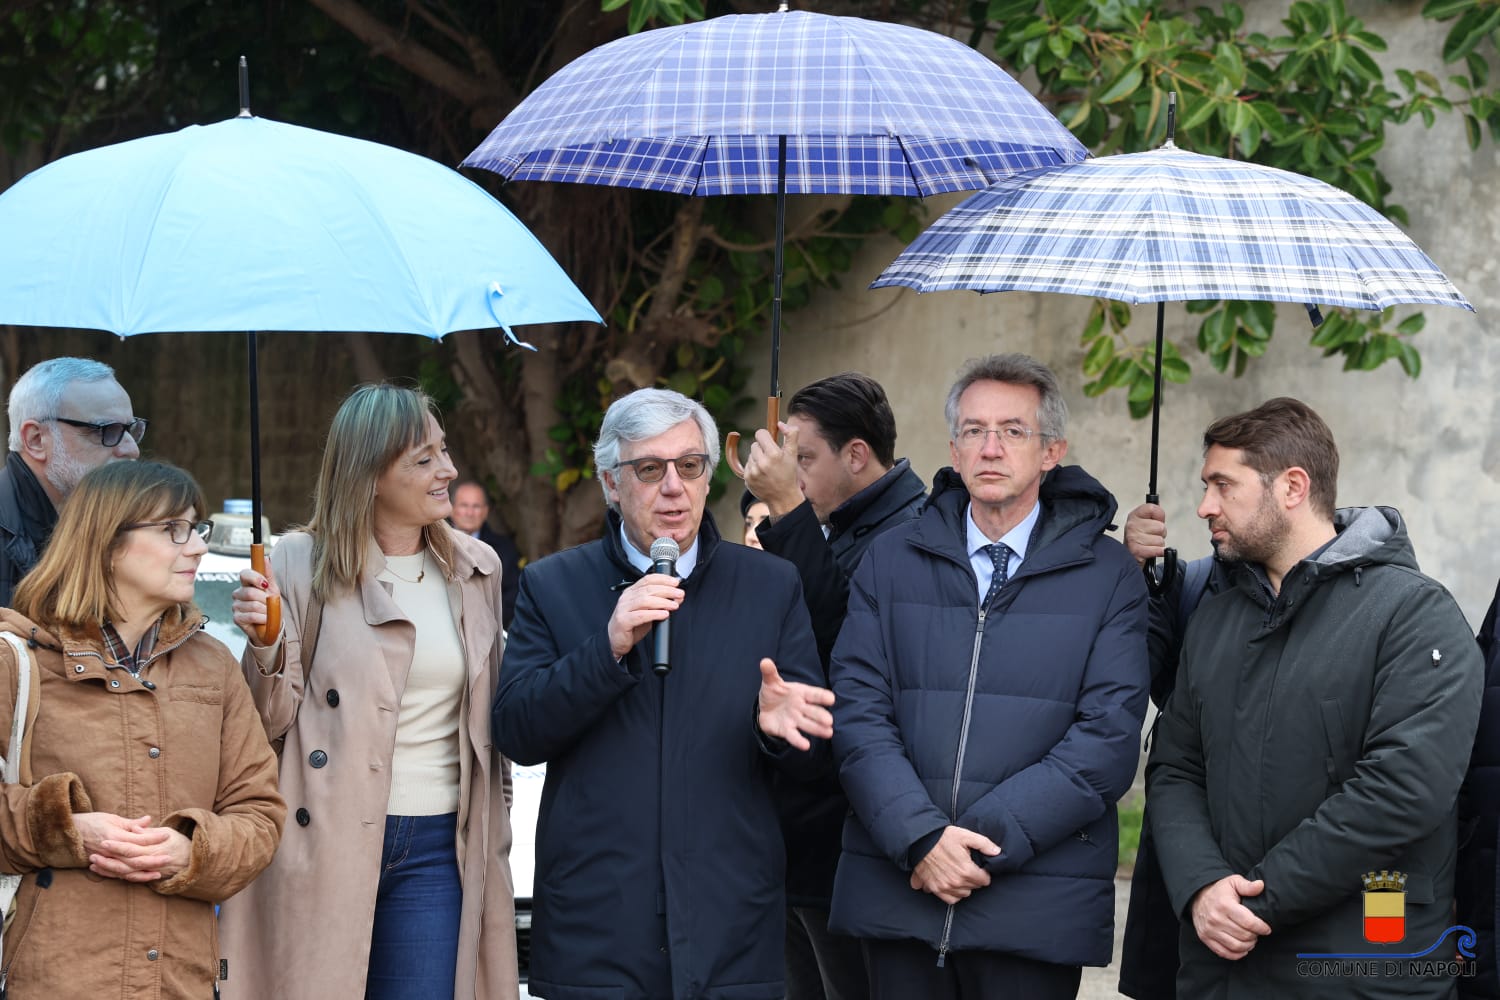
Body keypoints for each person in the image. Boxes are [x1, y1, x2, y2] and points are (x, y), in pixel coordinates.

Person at [493, 387, 834, 1000]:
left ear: (708, 478)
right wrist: (607, 648)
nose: (672, 487)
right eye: (649, 469)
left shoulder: (770, 584)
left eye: (689, 465)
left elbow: (815, 762)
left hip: (730, 921)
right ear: (610, 483)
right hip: (599, 927)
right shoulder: (552, 585)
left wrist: (781, 732)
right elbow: (517, 731)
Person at [829, 353, 1149, 1000]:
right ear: (953, 446)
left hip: (1031, 905)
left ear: (1051, 450)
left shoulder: (1109, 575)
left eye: (1012, 430)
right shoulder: (892, 559)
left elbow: (1106, 743)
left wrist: (974, 846)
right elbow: (858, 712)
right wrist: (920, 838)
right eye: (974, 430)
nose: (991, 447)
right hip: (900, 894)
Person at [1147, 397, 1483, 998]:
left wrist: (1254, 900)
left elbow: (1402, 791)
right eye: (1206, 486)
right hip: (1223, 967)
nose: (1205, 507)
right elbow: (1175, 767)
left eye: (1224, 485)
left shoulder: (1412, 614)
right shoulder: (1215, 620)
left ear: (1293, 487)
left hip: (1361, 968)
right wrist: (1201, 886)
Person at [218, 384, 516, 1000]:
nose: (449, 471)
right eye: (424, 459)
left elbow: (489, 715)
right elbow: (265, 723)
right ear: (372, 474)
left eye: (444, 451)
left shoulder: (476, 566)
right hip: (322, 837)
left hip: (438, 843)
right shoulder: (300, 561)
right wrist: (268, 642)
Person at [0, 460, 284, 999]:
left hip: (177, 980)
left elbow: (259, 815)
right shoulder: (17, 660)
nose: (198, 547)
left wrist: (193, 852)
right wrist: (65, 831)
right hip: (49, 978)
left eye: (195, 529)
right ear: (106, 542)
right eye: (172, 530)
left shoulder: (215, 666)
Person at [743, 370, 926, 1000]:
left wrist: (790, 515)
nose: (792, 476)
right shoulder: (834, 522)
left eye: (804, 460)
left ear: (856, 455)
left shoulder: (914, 530)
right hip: (799, 825)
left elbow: (837, 638)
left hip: (851, 830)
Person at [0, 357, 144, 605]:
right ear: (36, 440)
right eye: (107, 430)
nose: (131, 449)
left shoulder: (123, 525)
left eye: (131, 430)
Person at [450, 479, 522, 627]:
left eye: (476, 506)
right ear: (451, 509)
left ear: (485, 512)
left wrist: (485, 624)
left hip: (489, 630)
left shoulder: (504, 548)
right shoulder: (432, 543)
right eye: (464, 505)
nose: (469, 513)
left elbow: (513, 594)